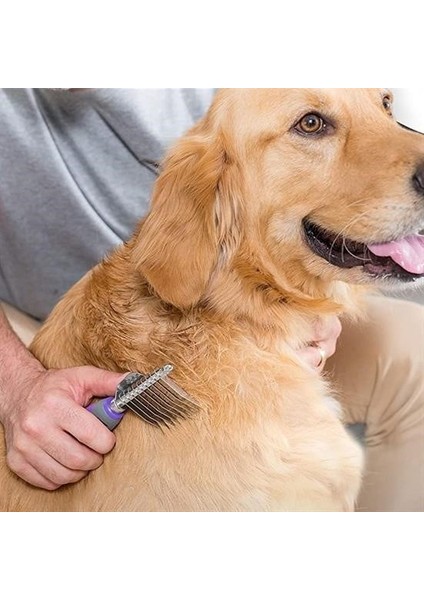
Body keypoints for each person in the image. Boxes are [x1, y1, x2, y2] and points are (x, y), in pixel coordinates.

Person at [0, 89, 423, 510]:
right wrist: (16, 385)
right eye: (312, 124)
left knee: (413, 349)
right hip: (24, 330)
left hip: (232, 281)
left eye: (384, 103)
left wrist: (320, 287)